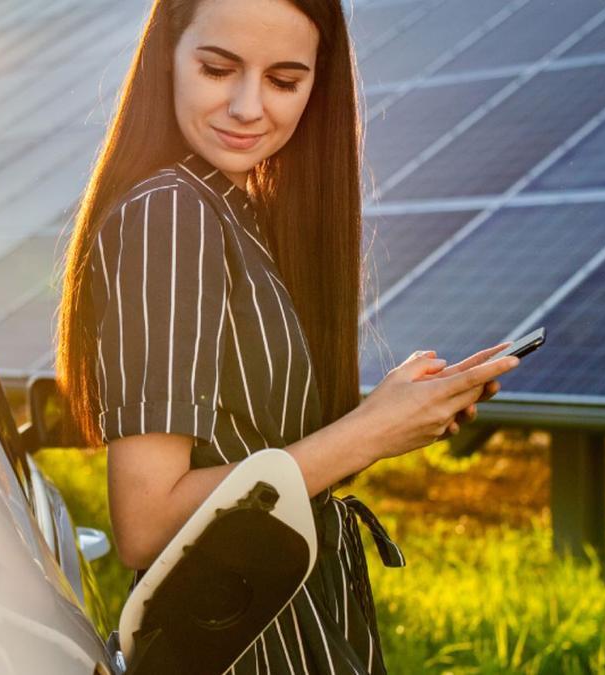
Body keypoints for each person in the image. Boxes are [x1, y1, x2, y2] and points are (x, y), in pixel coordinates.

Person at [54, 0, 521, 672]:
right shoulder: (171, 214)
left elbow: (264, 448)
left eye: (284, 80)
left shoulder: (236, 213)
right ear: (168, 57)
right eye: (218, 68)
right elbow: (147, 520)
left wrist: (390, 410)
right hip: (246, 644)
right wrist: (373, 431)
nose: (248, 106)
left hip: (289, 625)